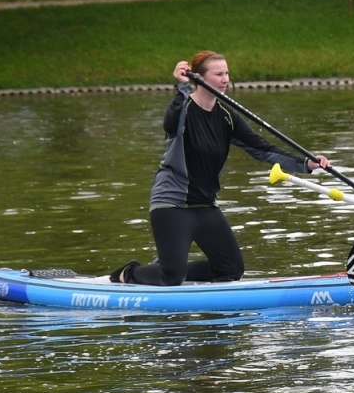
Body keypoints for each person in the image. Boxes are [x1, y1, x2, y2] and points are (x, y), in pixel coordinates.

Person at [111, 50, 329, 286]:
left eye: (227, 73)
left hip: (205, 205)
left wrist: (306, 163)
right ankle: (129, 273)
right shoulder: (183, 109)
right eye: (218, 74)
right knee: (170, 277)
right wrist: (182, 87)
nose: (225, 79)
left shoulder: (227, 115)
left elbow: (262, 148)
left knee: (230, 270)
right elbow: (170, 124)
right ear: (199, 78)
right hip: (172, 204)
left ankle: (167, 267)